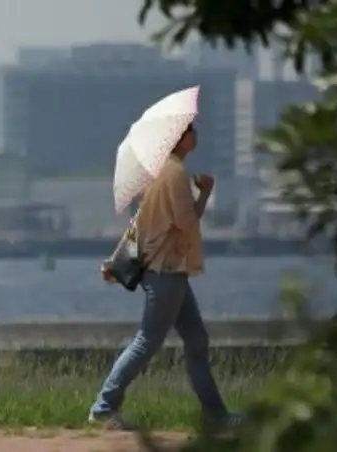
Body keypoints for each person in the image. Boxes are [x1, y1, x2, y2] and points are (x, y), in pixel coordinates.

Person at [88, 123, 244, 430]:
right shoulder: (174, 175)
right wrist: (205, 194)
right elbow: (186, 222)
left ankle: (217, 416)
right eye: (191, 131)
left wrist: (117, 259)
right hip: (168, 271)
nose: (196, 135)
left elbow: (141, 222)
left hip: (169, 271)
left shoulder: (159, 171)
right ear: (180, 139)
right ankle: (104, 407)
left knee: (196, 339)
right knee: (147, 340)